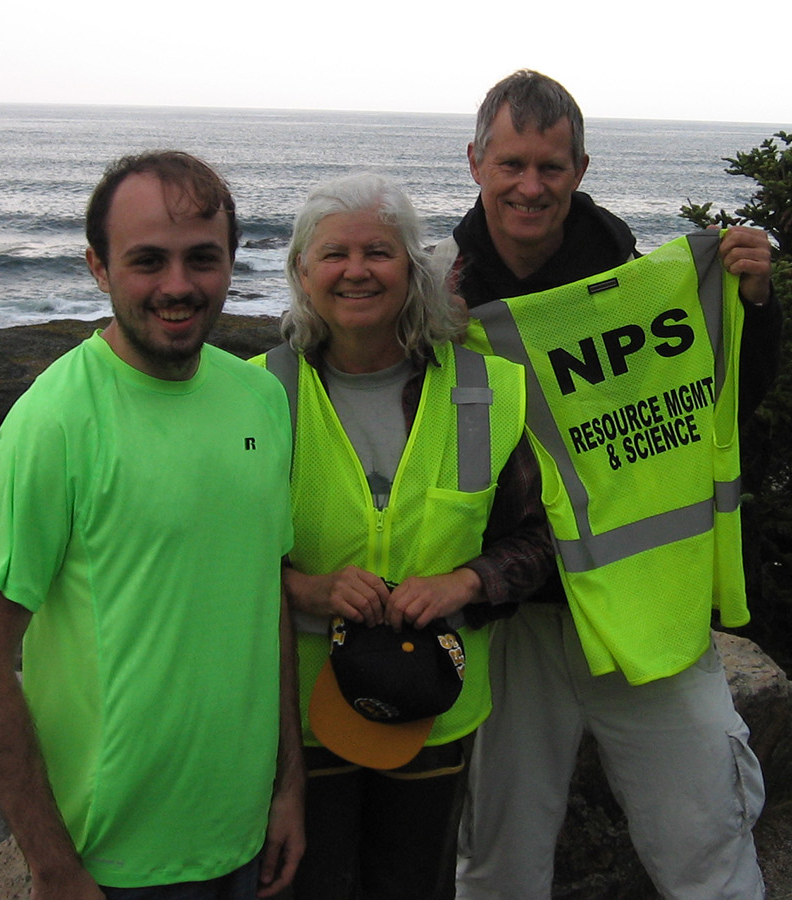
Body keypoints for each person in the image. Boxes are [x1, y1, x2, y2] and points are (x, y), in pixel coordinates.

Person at [443, 71, 782, 900]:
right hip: (512, 622)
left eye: (550, 167)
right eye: (512, 163)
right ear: (476, 163)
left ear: (581, 170)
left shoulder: (642, 282)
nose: (531, 185)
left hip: (646, 609)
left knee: (707, 835)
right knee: (496, 858)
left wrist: (754, 301)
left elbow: (727, 401)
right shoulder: (438, 298)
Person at [0, 150, 305, 900]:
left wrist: (288, 789)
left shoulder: (262, 399)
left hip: (245, 839)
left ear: (232, 262)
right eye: (148, 261)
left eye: (201, 259)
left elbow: (263, 600)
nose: (178, 286)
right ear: (98, 268)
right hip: (113, 865)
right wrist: (54, 867)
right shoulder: (54, 421)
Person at [259, 172, 553, 900]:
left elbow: (545, 537)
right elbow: (210, 558)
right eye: (333, 254)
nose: (356, 271)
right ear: (301, 271)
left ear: (413, 267)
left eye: (379, 252)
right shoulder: (258, 393)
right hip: (296, 711)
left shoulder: (488, 388)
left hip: (435, 701)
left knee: (414, 885)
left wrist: (468, 581)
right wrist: (307, 587)